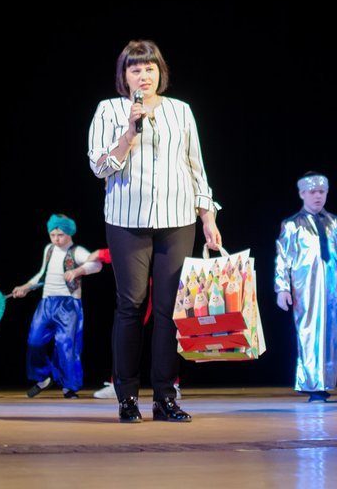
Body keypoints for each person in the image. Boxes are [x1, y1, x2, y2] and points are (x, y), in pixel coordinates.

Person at [87, 39, 221, 423]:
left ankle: (165, 397)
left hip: (178, 219)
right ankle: (127, 397)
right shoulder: (109, 110)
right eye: (135, 69)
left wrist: (208, 217)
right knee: (130, 305)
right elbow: (99, 166)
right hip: (126, 220)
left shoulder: (181, 110)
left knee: (168, 310)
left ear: (160, 72)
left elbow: (196, 167)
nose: (144, 75)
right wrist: (130, 131)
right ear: (124, 76)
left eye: (150, 68)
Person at [275, 172, 337, 401]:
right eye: (312, 192)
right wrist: (282, 288)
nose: (317, 196)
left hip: (333, 289)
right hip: (306, 288)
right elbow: (283, 259)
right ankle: (312, 384)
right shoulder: (292, 225)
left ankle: (324, 382)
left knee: (331, 335)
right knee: (308, 332)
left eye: (321, 192)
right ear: (302, 193)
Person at [12, 214, 102, 398]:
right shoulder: (49, 249)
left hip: (68, 304)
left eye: (60, 235)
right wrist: (26, 287)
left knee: (66, 346)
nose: (56, 239)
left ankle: (69, 386)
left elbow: (97, 264)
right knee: (34, 341)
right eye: (52, 235)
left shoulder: (77, 251)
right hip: (46, 302)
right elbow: (42, 274)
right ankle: (43, 377)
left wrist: (77, 271)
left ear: (69, 233)